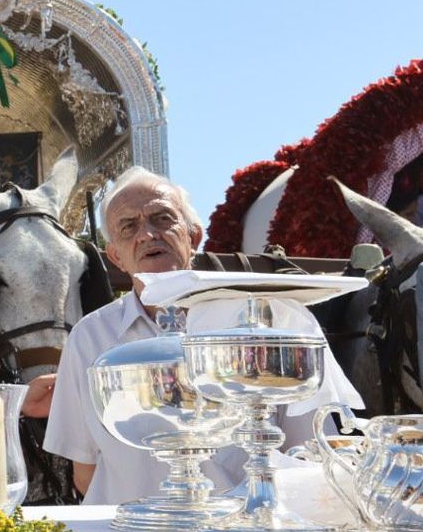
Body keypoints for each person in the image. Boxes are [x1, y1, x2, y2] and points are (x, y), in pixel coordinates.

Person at [44, 166, 362, 504]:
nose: (147, 235)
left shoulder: (265, 318)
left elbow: (309, 449)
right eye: (128, 226)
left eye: (162, 218)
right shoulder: (89, 337)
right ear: (115, 256)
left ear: (193, 237)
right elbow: (84, 471)